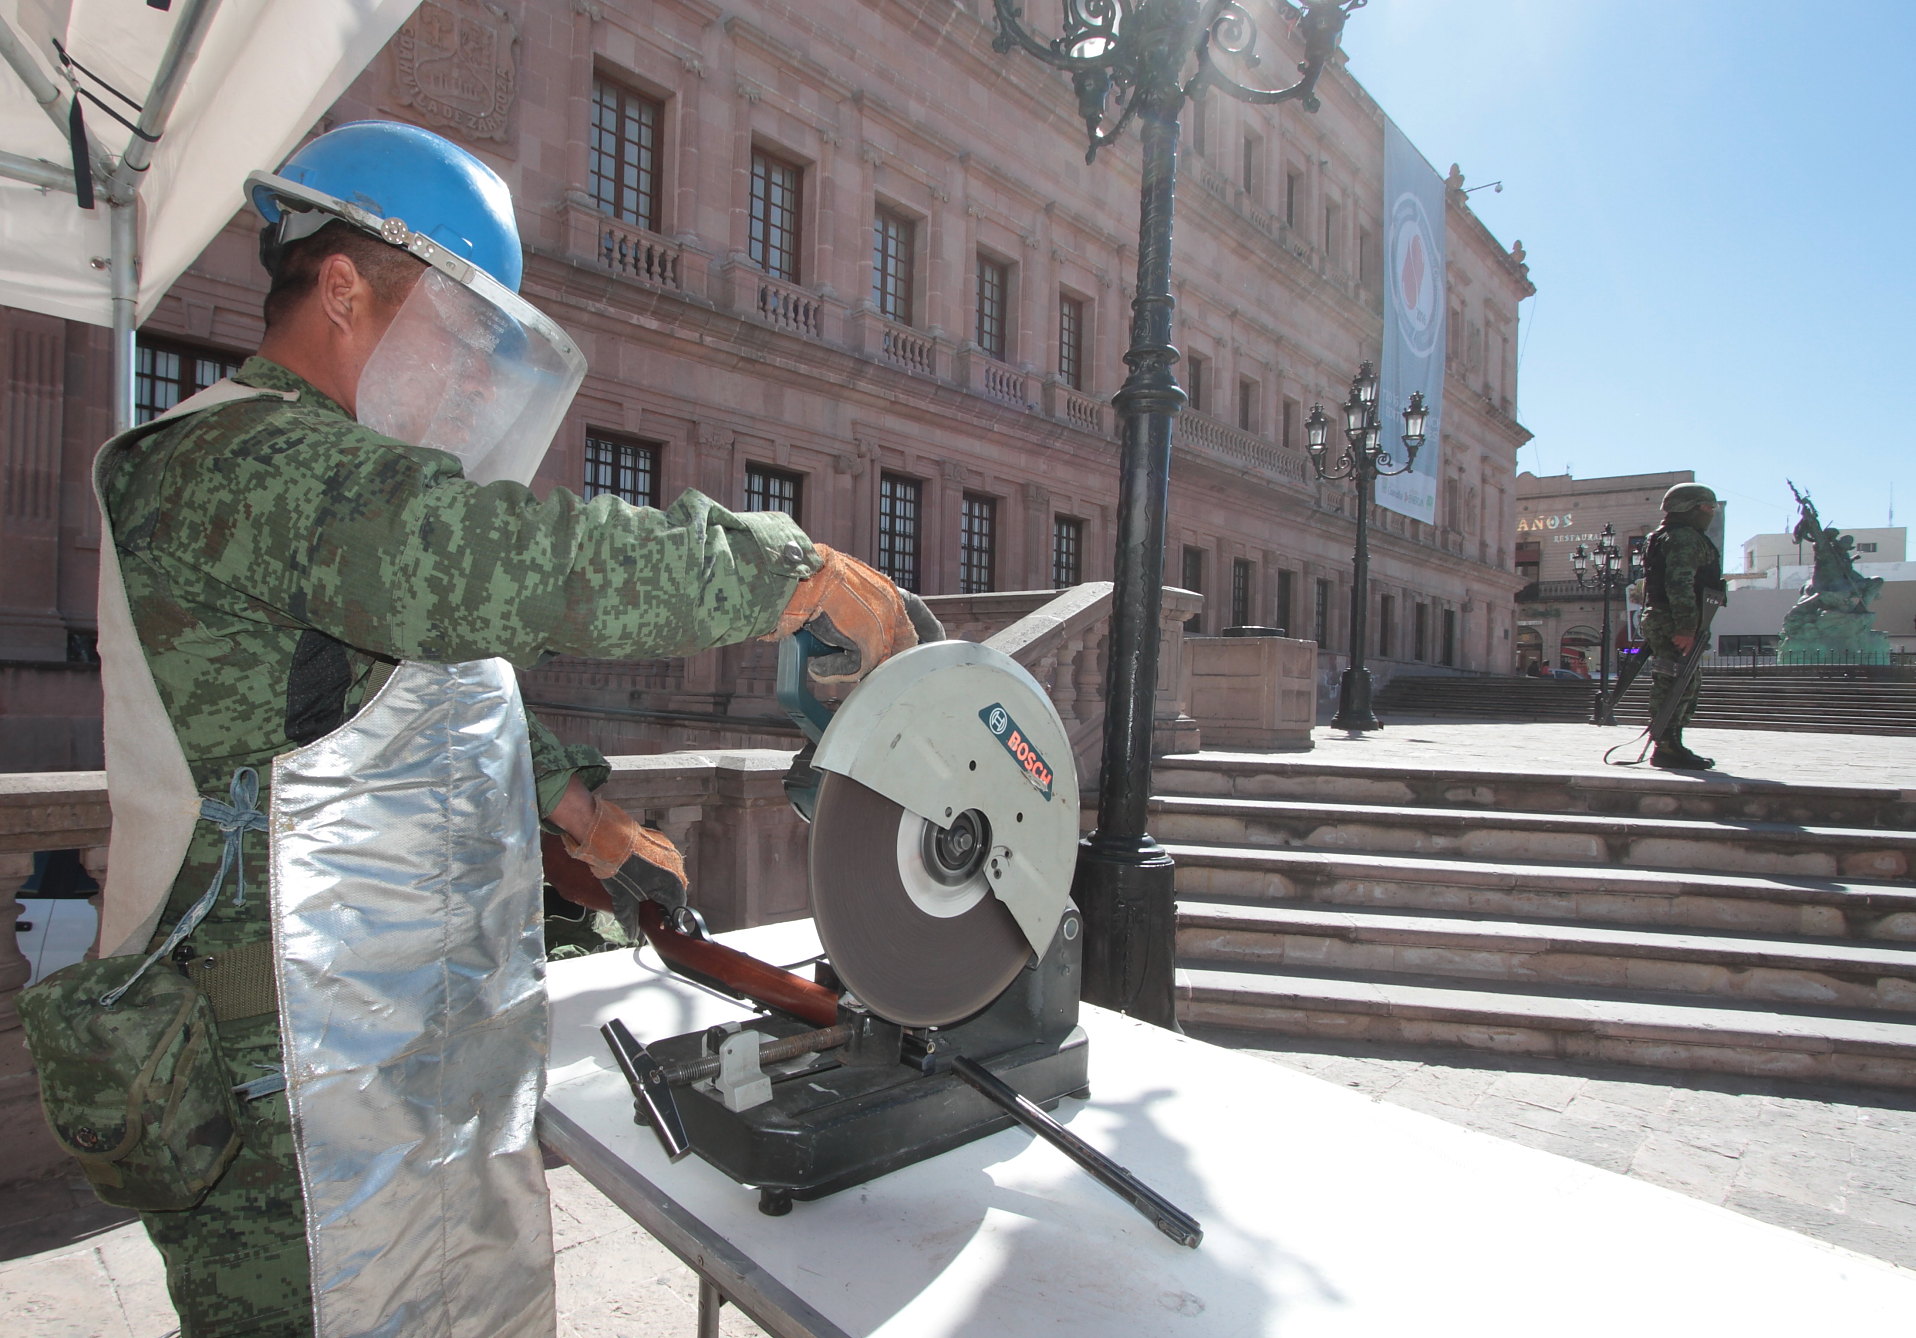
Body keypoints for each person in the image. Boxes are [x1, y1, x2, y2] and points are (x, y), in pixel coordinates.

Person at [82, 120, 933, 1337]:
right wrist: (781, 571)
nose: (478, 380)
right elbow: (500, 566)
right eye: (463, 335)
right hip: (286, 1105)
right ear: (342, 285)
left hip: (405, 1071)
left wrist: (572, 803)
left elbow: (397, 686)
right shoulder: (236, 463)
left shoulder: (334, 493)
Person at [1638, 482, 1725, 769]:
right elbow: (1679, 583)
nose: (1711, 513)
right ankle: (1666, 745)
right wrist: (1686, 627)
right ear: (1691, 508)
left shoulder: (1667, 536)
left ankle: (1671, 741)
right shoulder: (1683, 538)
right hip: (1673, 621)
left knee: (1684, 682)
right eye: (1707, 507)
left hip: (1667, 617)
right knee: (1675, 682)